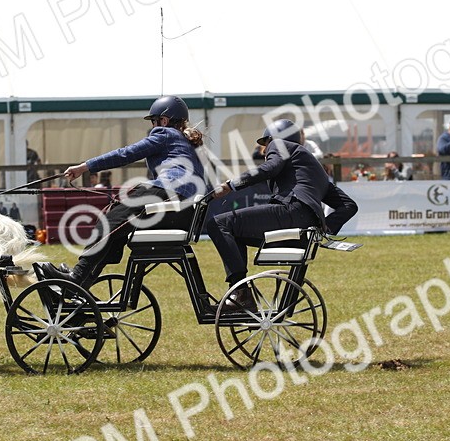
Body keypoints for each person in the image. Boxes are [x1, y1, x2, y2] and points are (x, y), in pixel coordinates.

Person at [36, 95, 207, 286]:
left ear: (164, 120)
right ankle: (84, 279)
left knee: (109, 223)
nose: (153, 126)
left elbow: (125, 154)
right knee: (117, 220)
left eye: (153, 121)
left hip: (168, 194)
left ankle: (77, 277)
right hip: (182, 211)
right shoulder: (185, 142)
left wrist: (84, 167)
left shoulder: (164, 134)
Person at [208, 119, 357, 312]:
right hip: (303, 228)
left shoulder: (280, 145)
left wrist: (232, 184)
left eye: (265, 144)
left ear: (274, 138)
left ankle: (241, 293)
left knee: (218, 224)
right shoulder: (313, 167)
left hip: (291, 212)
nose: (263, 151)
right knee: (233, 231)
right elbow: (348, 205)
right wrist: (324, 228)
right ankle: (239, 293)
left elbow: (271, 168)